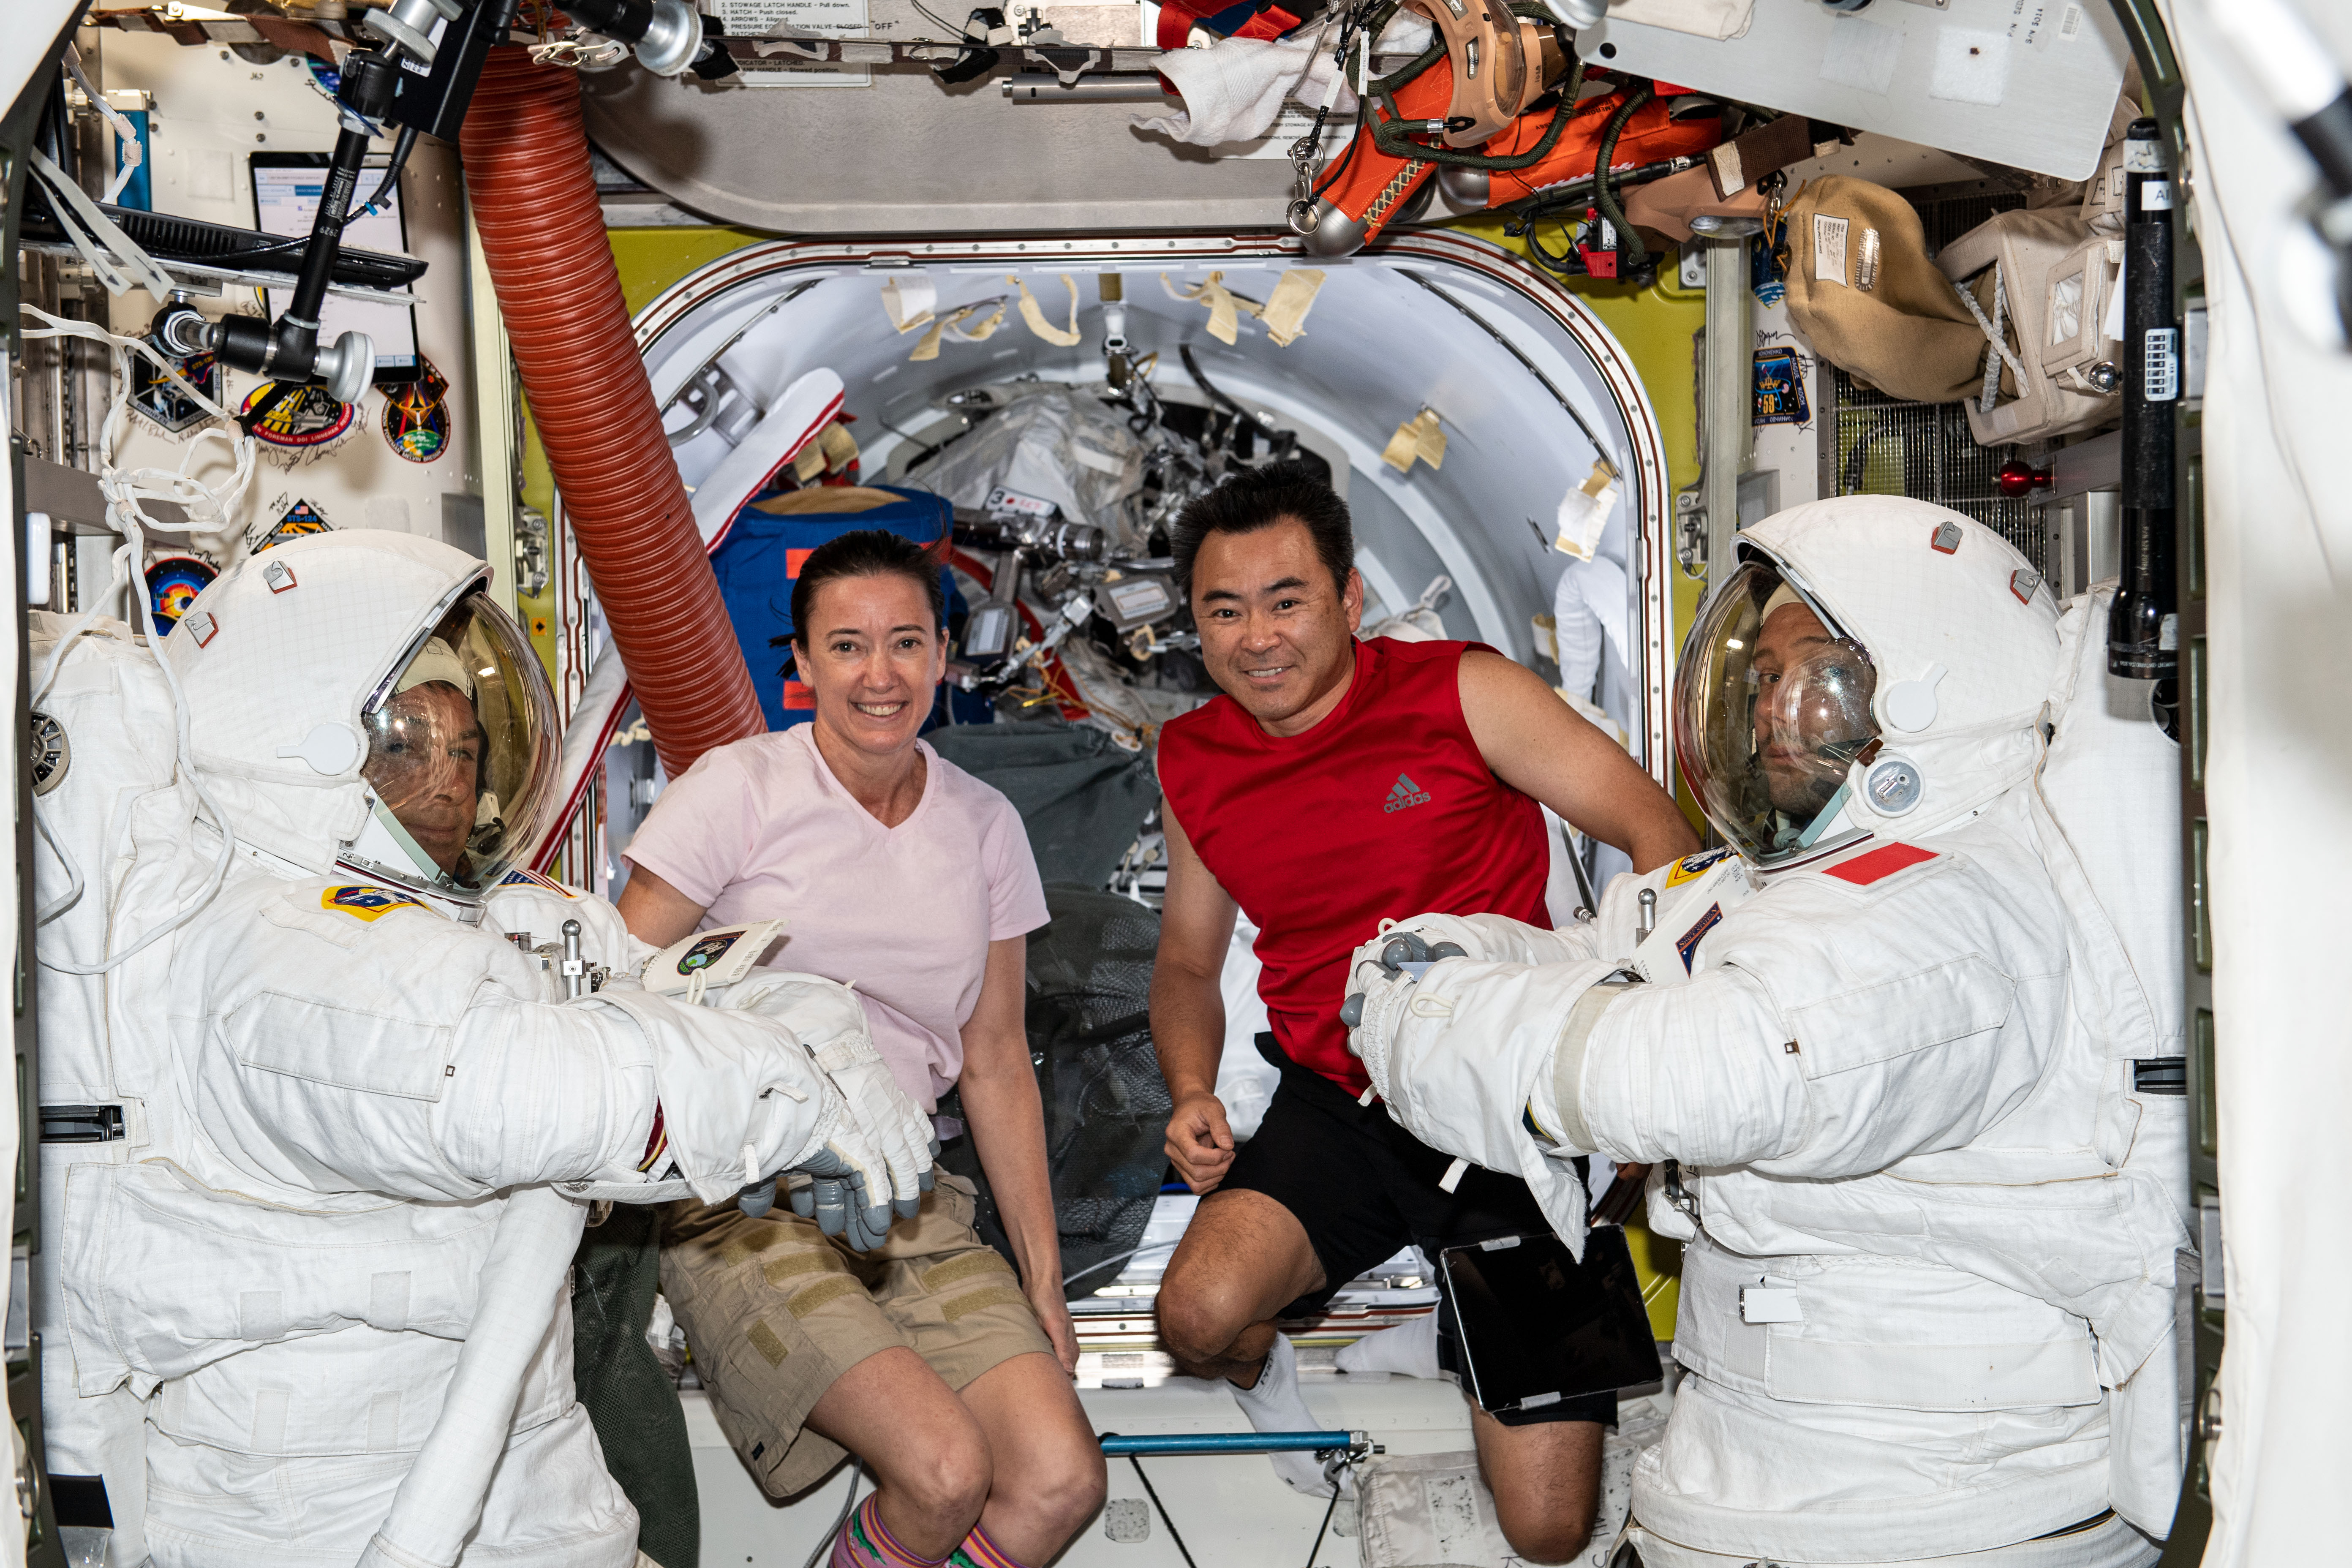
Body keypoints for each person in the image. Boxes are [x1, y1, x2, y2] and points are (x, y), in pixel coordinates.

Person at [30, 530, 928, 1568]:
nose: (451, 781)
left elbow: (686, 980)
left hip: (524, 1487)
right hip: (327, 1505)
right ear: (307, 742)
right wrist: (795, 1104)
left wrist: (834, 1048)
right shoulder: (275, 952)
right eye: (409, 745)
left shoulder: (472, 917)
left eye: (466, 750)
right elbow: (517, 1089)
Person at [1345, 497, 2193, 1568]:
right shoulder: (1790, 883)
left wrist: (1416, 1015)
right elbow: (1585, 952)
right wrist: (1421, 973)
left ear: (1933, 686)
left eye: (1820, 674)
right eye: (1762, 681)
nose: (1773, 713)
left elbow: (1700, 1074)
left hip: (1924, 1512)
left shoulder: (1953, 909)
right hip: (1760, 1481)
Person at [1145, 463, 1698, 1562]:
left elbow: (1659, 832)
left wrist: (1645, 1064)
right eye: (1226, 610)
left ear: (1350, 599)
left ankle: (1460, 1319)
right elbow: (1187, 963)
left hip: (1511, 1108)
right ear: (1197, 627)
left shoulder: (1464, 690)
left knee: (1549, 1530)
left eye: (1287, 600)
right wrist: (1192, 1087)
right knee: (1197, 1319)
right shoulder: (1193, 759)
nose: (1259, 637)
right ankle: (1304, 1357)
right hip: (1339, 1105)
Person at [615, 530, 1108, 1568]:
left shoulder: (984, 824)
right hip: (746, 1201)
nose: (879, 674)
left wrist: (1045, 1280)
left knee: (1059, 1479)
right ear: (803, 662)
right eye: (847, 645)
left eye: (905, 642)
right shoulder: (739, 789)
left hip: (909, 1191)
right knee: (944, 1471)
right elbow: (617, 998)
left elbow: (995, 1058)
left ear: (944, 654)